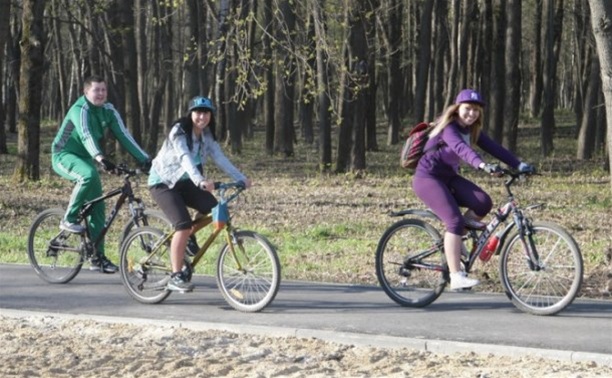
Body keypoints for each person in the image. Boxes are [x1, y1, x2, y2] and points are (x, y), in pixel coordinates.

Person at [412, 89, 533, 290]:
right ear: (457, 108)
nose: (471, 114)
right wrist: (483, 166)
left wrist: (519, 165)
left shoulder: (472, 129)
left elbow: (495, 148)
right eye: (467, 109)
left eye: (476, 110)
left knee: (483, 202)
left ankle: (455, 242)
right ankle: (455, 276)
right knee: (454, 221)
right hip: (428, 178)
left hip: (448, 177)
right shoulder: (448, 127)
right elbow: (461, 149)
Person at [148, 96, 251, 292]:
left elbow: (220, 158)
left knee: (215, 209)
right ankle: (176, 275)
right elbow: (185, 158)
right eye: (198, 112)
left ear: (211, 115)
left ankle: (187, 238)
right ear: (190, 114)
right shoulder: (179, 131)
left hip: (187, 182)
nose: (202, 116)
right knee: (183, 225)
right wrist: (200, 181)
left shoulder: (206, 135)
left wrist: (241, 178)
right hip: (164, 183)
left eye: (206, 112)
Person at [51, 75, 151, 273]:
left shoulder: (108, 110)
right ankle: (69, 219)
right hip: (64, 155)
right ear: (86, 92)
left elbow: (124, 135)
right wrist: (101, 158)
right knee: (87, 175)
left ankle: (97, 257)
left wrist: (145, 159)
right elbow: (86, 134)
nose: (100, 94)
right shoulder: (80, 110)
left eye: (103, 90)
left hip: (87, 159)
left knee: (98, 207)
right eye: (96, 90)